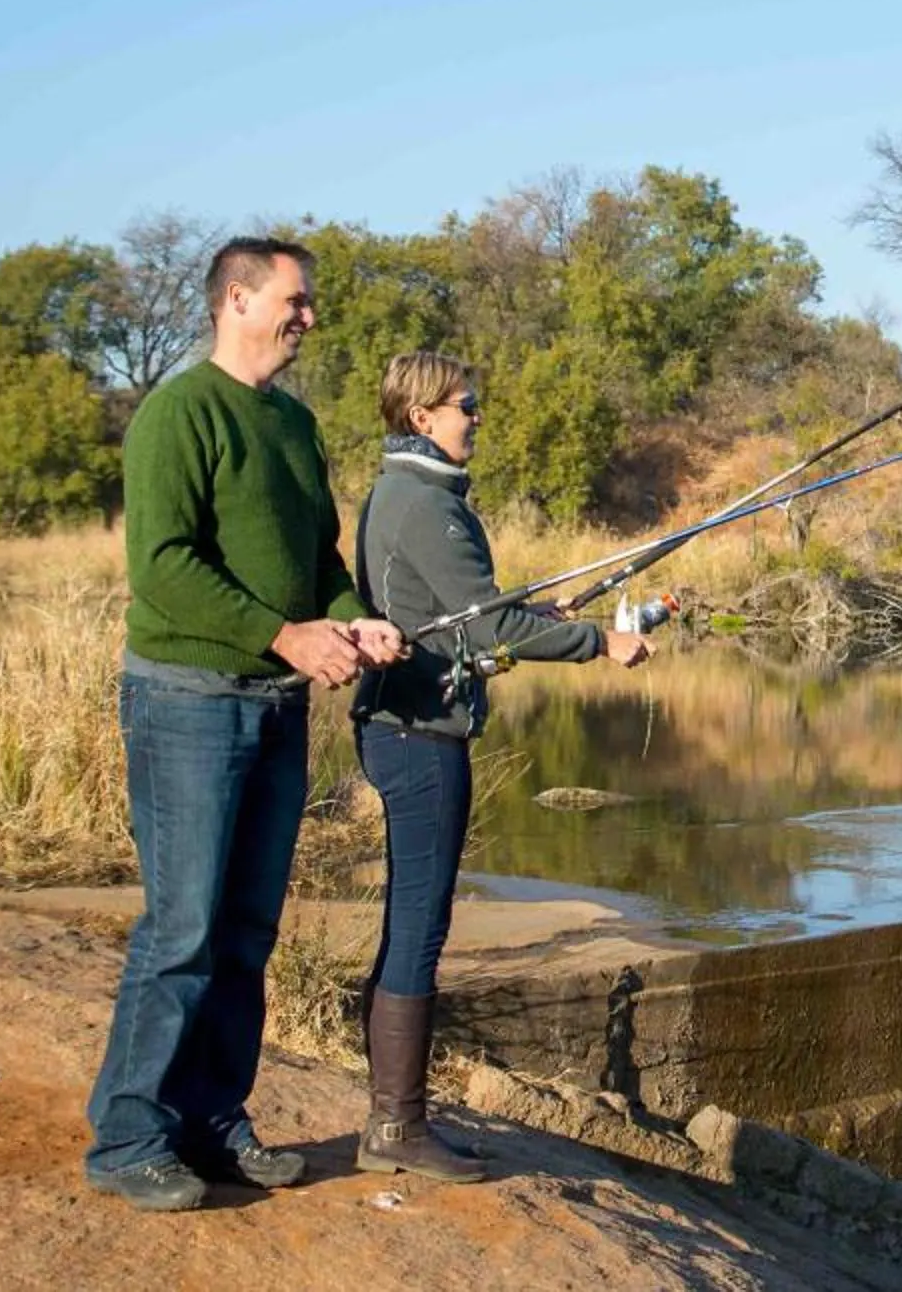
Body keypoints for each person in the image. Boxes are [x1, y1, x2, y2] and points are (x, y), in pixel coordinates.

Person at [84, 238, 406, 1212]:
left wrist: (353, 614)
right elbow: (164, 565)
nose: (309, 316)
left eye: (309, 302)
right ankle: (130, 1137)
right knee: (181, 928)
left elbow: (319, 559)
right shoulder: (177, 412)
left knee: (248, 931)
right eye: (295, 300)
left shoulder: (293, 423)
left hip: (273, 703)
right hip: (185, 698)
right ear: (237, 297)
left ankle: (214, 1119)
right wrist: (286, 634)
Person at [351, 349, 653, 1183]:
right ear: (422, 417)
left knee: (414, 917)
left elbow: (461, 615)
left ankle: (394, 1116)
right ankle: (396, 1128)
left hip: (403, 726)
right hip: (419, 735)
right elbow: (487, 633)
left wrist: (535, 616)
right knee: (420, 922)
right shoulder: (427, 506)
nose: (476, 417)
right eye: (465, 405)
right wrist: (600, 641)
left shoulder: (401, 494)